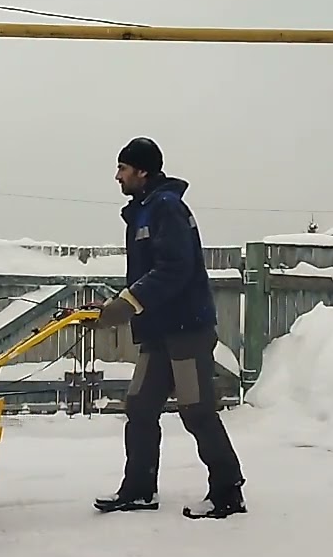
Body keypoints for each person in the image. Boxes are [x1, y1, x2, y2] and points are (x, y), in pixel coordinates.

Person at [87, 137, 247, 520]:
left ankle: (227, 491)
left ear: (142, 170)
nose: (117, 176)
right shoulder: (143, 211)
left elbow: (175, 269)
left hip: (187, 329)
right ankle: (139, 489)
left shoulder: (167, 208)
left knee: (196, 410)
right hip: (159, 331)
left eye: (123, 169)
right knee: (140, 407)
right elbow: (148, 275)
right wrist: (114, 303)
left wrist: (127, 305)